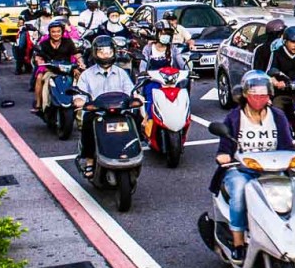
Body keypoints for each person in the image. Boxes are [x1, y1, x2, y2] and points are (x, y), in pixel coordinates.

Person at [210, 70, 295, 264]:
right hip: (241, 170)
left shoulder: (278, 116)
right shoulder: (234, 117)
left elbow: (287, 146)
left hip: (272, 171)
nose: (259, 98)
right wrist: (223, 156)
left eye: (263, 94)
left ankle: (293, 237)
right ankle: (238, 244)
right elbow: (225, 148)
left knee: (293, 194)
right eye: (254, 93)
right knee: (239, 192)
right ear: (245, 94)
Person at [73, 36, 135, 179]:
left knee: (134, 119)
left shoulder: (121, 73)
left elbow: (130, 91)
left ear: (114, 52)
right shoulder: (86, 75)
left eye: (108, 51)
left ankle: (132, 151)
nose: (105, 55)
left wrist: (136, 98)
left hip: (119, 112)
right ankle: (89, 159)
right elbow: (80, 94)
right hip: (98, 114)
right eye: (101, 52)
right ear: (95, 53)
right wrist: (79, 100)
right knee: (88, 123)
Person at [138, 20, 188, 132]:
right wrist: (143, 73)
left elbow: (181, 63)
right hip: (153, 80)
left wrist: (187, 71)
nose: (166, 36)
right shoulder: (148, 48)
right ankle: (147, 120)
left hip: (171, 82)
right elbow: (143, 65)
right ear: (156, 33)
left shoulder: (173, 49)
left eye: (168, 34)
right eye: (163, 33)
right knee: (151, 96)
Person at [32, 20, 83, 114]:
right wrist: (39, 61)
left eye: (58, 31)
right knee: (39, 78)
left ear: (62, 32)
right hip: (50, 69)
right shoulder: (44, 44)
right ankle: (39, 104)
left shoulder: (68, 42)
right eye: (53, 32)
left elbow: (76, 54)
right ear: (50, 33)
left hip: (67, 69)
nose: (56, 34)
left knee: (80, 79)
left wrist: (81, 63)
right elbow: (38, 56)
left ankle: (81, 104)